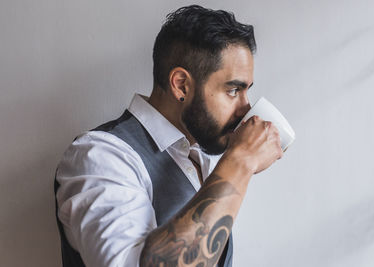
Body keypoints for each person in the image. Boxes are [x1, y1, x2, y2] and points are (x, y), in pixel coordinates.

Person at [54, 4, 283, 267]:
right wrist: (241, 161)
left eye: (247, 91)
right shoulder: (99, 155)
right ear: (181, 85)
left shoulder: (201, 156)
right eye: (233, 90)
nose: (246, 108)